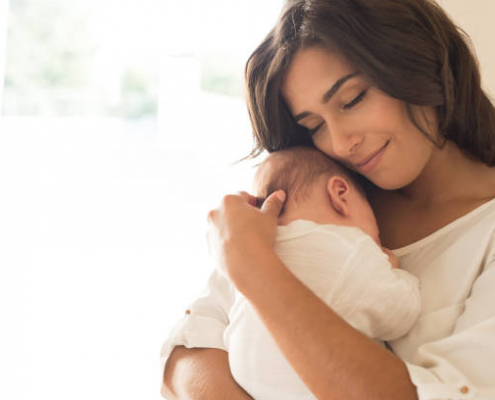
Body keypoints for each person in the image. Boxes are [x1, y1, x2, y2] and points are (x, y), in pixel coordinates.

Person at [162, 0, 495, 399]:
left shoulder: (483, 231)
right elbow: (186, 354)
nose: (340, 143)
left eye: (352, 99)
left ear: (416, 61)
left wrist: (255, 268)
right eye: (314, 125)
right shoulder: (323, 199)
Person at [225, 147, 421, 399]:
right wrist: (397, 273)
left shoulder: (254, 250)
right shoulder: (349, 247)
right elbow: (399, 316)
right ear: (340, 194)